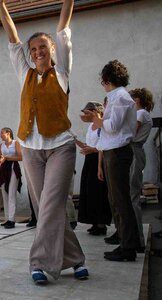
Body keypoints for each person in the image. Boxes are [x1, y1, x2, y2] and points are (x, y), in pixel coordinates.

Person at [0, 0, 87, 283]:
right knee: (47, 208)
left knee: (50, 205)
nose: (37, 52)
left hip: (61, 146)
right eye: (33, 49)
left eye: (42, 48)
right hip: (32, 150)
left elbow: (63, 30)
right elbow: (13, 39)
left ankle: (39, 262)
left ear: (52, 52)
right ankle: (75, 259)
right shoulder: (24, 74)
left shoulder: (61, 74)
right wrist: (1, 4)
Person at [85, 60, 140, 262]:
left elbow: (113, 126)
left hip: (117, 152)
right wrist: (96, 120)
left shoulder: (119, 97)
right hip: (114, 151)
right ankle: (126, 242)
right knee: (116, 199)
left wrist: (95, 119)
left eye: (102, 80)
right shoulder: (118, 96)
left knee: (121, 200)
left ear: (107, 79)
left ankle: (128, 247)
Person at [76, 102, 111, 235]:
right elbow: (89, 144)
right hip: (89, 159)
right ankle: (94, 221)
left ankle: (102, 223)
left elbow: (103, 145)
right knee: (89, 190)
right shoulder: (91, 126)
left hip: (99, 159)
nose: (86, 115)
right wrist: (79, 143)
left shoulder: (103, 124)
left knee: (99, 191)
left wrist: (92, 150)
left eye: (88, 112)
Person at [129, 88, 154, 252]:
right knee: (131, 196)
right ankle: (134, 238)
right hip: (135, 151)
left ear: (137, 100)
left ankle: (137, 240)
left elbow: (130, 132)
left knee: (132, 196)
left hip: (134, 151)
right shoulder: (142, 114)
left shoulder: (141, 114)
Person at [0, 127, 22, 229]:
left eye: (2, 133)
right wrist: (1, 159)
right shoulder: (1, 145)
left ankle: (12, 219)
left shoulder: (16, 143)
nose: (0, 135)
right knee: (5, 195)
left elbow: (21, 157)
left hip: (13, 169)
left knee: (11, 194)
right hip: (3, 170)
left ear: (8, 133)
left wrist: (7, 158)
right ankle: (7, 218)